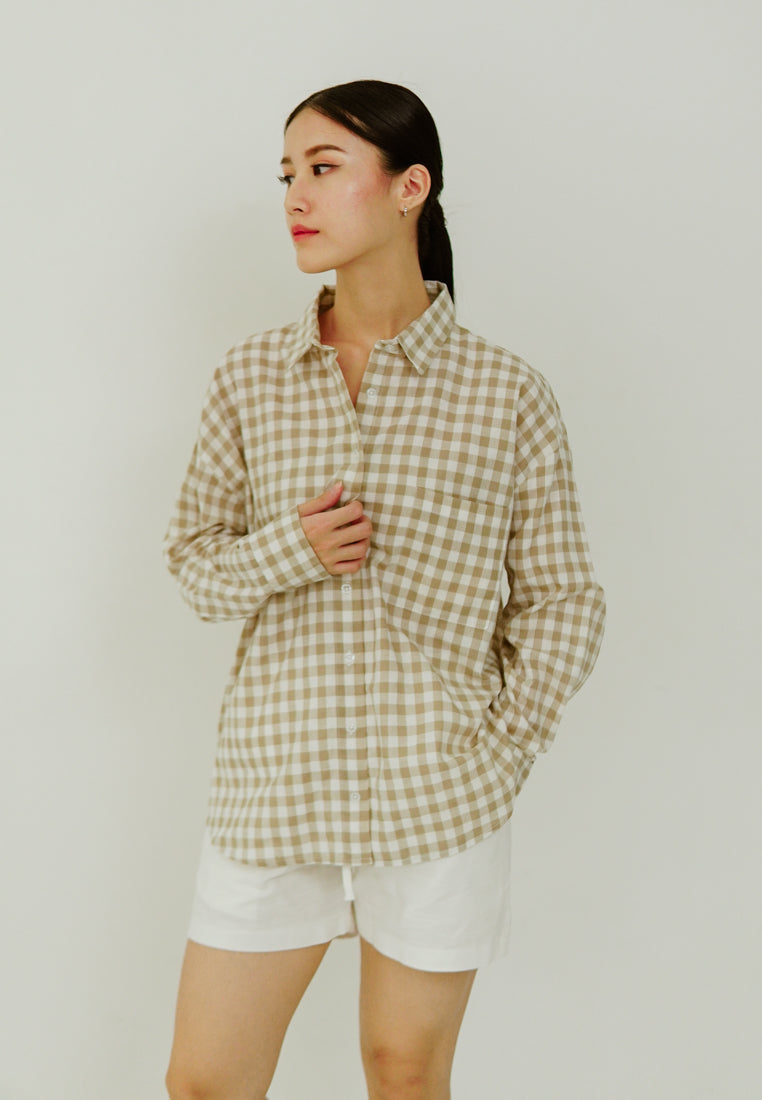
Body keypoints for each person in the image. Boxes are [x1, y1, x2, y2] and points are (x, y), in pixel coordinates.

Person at [163, 79, 606, 1100]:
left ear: (412, 187)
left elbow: (562, 597)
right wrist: (293, 550)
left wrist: (502, 748)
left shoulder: (506, 393)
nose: (295, 196)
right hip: (275, 787)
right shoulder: (251, 378)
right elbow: (194, 566)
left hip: (439, 795)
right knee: (206, 1080)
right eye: (288, 174)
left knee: (404, 1074)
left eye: (324, 168)